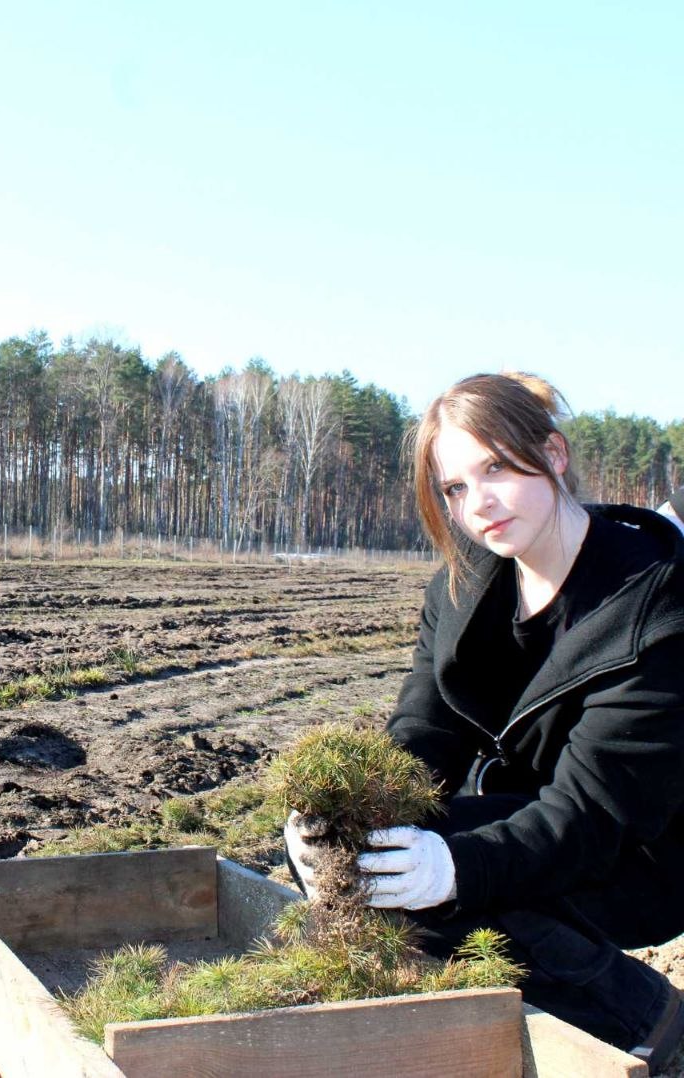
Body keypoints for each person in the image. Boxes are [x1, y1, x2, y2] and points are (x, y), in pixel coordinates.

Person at [286, 372, 684, 1072]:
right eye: (455, 488)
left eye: (496, 467)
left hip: (640, 851)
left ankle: (646, 1017)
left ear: (555, 455)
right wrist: (347, 810)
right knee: (365, 856)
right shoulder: (465, 582)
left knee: (436, 892)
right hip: (532, 817)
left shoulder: (654, 608)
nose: (479, 504)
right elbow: (425, 729)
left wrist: (455, 868)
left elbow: (593, 814)